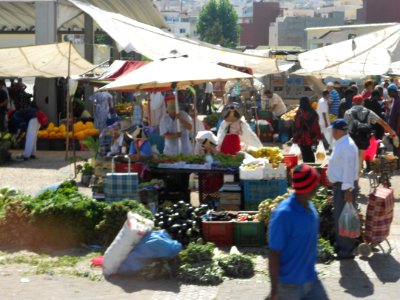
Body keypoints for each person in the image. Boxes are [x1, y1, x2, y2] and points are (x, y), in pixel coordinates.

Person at [267, 164, 329, 300]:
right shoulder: (284, 214)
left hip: (311, 278)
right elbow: (274, 253)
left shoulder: (310, 207)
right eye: (316, 184)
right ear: (308, 188)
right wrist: (274, 291)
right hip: (289, 286)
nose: (318, 186)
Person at [327, 119, 359, 260]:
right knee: (340, 217)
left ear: (338, 131)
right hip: (340, 186)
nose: (332, 132)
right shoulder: (342, 143)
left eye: (333, 129)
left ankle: (347, 250)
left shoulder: (347, 146)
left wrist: (348, 191)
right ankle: (342, 245)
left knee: (344, 218)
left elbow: (348, 170)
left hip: (344, 187)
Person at [344, 95, 396, 174]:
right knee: (359, 160)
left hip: (351, 140)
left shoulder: (348, 112)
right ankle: (357, 175)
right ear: (363, 103)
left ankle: (353, 176)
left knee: (352, 162)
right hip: (364, 140)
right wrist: (392, 133)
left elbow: (344, 128)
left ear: (353, 103)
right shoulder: (368, 112)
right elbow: (382, 122)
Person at [292, 97, 322, 163]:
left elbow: (296, 125)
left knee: (304, 153)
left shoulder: (299, 112)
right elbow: (316, 126)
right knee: (310, 153)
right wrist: (318, 136)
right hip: (311, 137)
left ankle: (307, 168)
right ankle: (312, 167)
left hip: (301, 137)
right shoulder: (313, 112)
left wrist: (295, 137)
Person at [387, 83, 400, 165]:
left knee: (398, 146)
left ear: (393, 91)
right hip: (393, 128)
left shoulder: (398, 101)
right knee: (395, 145)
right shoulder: (394, 100)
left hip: (397, 128)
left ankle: (398, 164)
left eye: (389, 92)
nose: (388, 94)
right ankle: (397, 163)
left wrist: (397, 130)